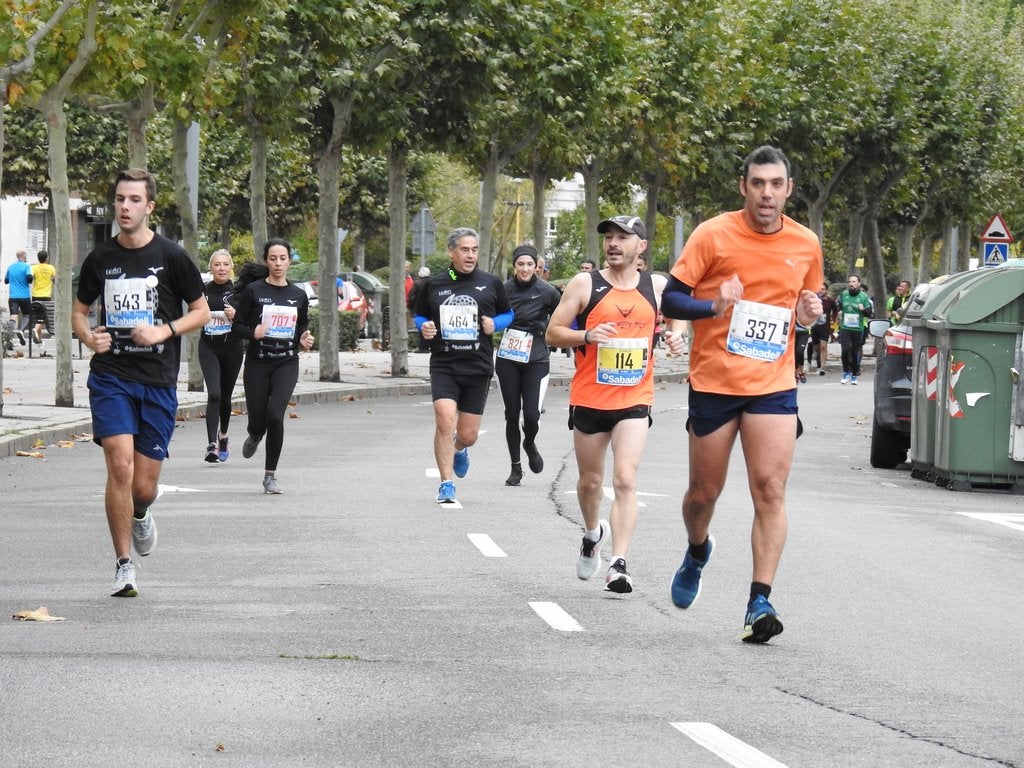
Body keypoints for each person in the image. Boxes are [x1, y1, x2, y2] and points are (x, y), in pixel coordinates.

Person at [661, 145, 823, 642]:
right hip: (714, 382)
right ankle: (697, 548)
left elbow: (804, 304)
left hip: (773, 384)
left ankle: (759, 600)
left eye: (776, 184)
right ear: (744, 187)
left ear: (789, 189)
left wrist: (809, 315)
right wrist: (714, 304)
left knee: (770, 490)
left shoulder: (806, 242)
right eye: (758, 183)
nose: (767, 193)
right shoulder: (714, 234)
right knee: (702, 495)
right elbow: (671, 296)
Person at [71, 168, 210, 598]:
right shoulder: (100, 258)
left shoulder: (172, 256)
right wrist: (88, 337)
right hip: (111, 376)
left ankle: (141, 512)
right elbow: (78, 312)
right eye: (119, 199)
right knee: (119, 466)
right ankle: (124, 565)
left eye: (134, 200)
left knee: (143, 486)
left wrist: (164, 331)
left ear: (149, 207)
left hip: (157, 380)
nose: (124, 207)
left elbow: (201, 311)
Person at [546, 215, 684, 594]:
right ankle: (593, 533)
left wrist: (674, 336)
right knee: (591, 481)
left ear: (641, 246)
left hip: (635, 398)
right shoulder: (585, 284)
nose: (613, 243)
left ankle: (619, 564)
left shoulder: (656, 285)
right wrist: (587, 334)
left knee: (625, 478)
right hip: (590, 397)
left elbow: (677, 318)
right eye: (609, 236)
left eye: (623, 237)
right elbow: (553, 331)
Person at [414, 227, 513, 504]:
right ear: (451, 252)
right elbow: (420, 317)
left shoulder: (490, 282)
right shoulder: (434, 285)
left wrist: (496, 324)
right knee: (445, 419)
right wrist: (426, 327)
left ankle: (459, 449)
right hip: (444, 363)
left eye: (474, 250)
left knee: (468, 435)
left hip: (477, 365)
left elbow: (508, 313)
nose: (470, 255)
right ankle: (446, 484)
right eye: (464, 250)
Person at [230, 237, 314, 494]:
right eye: (273, 258)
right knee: (258, 419)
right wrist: (252, 332)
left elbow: (302, 327)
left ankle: (270, 475)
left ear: (289, 261)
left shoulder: (298, 295)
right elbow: (237, 327)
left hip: (286, 362)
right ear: (266, 261)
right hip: (258, 363)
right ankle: (255, 434)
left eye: (283, 258)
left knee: (276, 415)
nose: (278, 263)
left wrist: (304, 338)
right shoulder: (254, 291)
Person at [496, 243, 562, 486]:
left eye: (530, 265)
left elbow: (562, 316)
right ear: (514, 265)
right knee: (512, 414)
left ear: (537, 267)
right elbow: (492, 316)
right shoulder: (503, 289)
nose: (525, 269)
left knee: (531, 415)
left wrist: (545, 328)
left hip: (536, 358)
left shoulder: (548, 291)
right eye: (521, 264)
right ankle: (515, 467)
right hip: (508, 358)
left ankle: (529, 442)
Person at [198, 249, 243, 463]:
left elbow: (249, 324)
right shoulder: (202, 292)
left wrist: (237, 316)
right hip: (208, 347)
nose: (222, 268)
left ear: (231, 267)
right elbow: (193, 316)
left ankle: (223, 436)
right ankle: (211, 445)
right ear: (211, 268)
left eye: (225, 264)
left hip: (232, 348)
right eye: (217, 264)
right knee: (214, 394)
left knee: (225, 396)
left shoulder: (239, 293)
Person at [836, 274, 872, 384]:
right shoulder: (843, 294)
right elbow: (839, 305)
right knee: (845, 351)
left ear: (858, 284)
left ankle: (855, 374)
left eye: (854, 281)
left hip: (858, 328)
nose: (851, 284)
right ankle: (846, 371)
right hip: (845, 327)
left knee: (855, 352)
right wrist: (839, 311)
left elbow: (869, 313)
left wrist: (862, 309)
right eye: (850, 282)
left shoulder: (863, 297)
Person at [5, 249, 33, 345]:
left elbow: (6, 280)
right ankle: (21, 330)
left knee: (13, 316)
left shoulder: (10, 267)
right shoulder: (26, 266)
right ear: (24, 257)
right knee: (27, 315)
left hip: (13, 296)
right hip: (24, 296)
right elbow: (30, 279)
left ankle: (8, 339)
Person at [809, 282, 837, 375]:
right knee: (816, 348)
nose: (821, 291)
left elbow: (835, 311)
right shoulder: (814, 300)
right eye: (819, 289)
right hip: (815, 326)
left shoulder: (830, 301)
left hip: (825, 327)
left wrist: (833, 320)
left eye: (823, 289)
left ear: (827, 290)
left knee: (823, 347)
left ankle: (822, 367)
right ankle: (818, 362)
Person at [30, 249, 56, 344]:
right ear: (46, 258)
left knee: (38, 316)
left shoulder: (34, 268)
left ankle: (39, 338)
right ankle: (35, 330)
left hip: (35, 295)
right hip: (46, 296)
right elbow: (55, 280)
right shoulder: (51, 268)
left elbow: (31, 278)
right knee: (42, 317)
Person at [407, 266, 432, 353]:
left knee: (421, 328)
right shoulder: (432, 283)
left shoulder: (417, 283)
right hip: (431, 309)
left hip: (419, 309)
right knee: (431, 327)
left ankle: (423, 347)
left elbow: (411, 297)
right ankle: (430, 346)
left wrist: (410, 306)